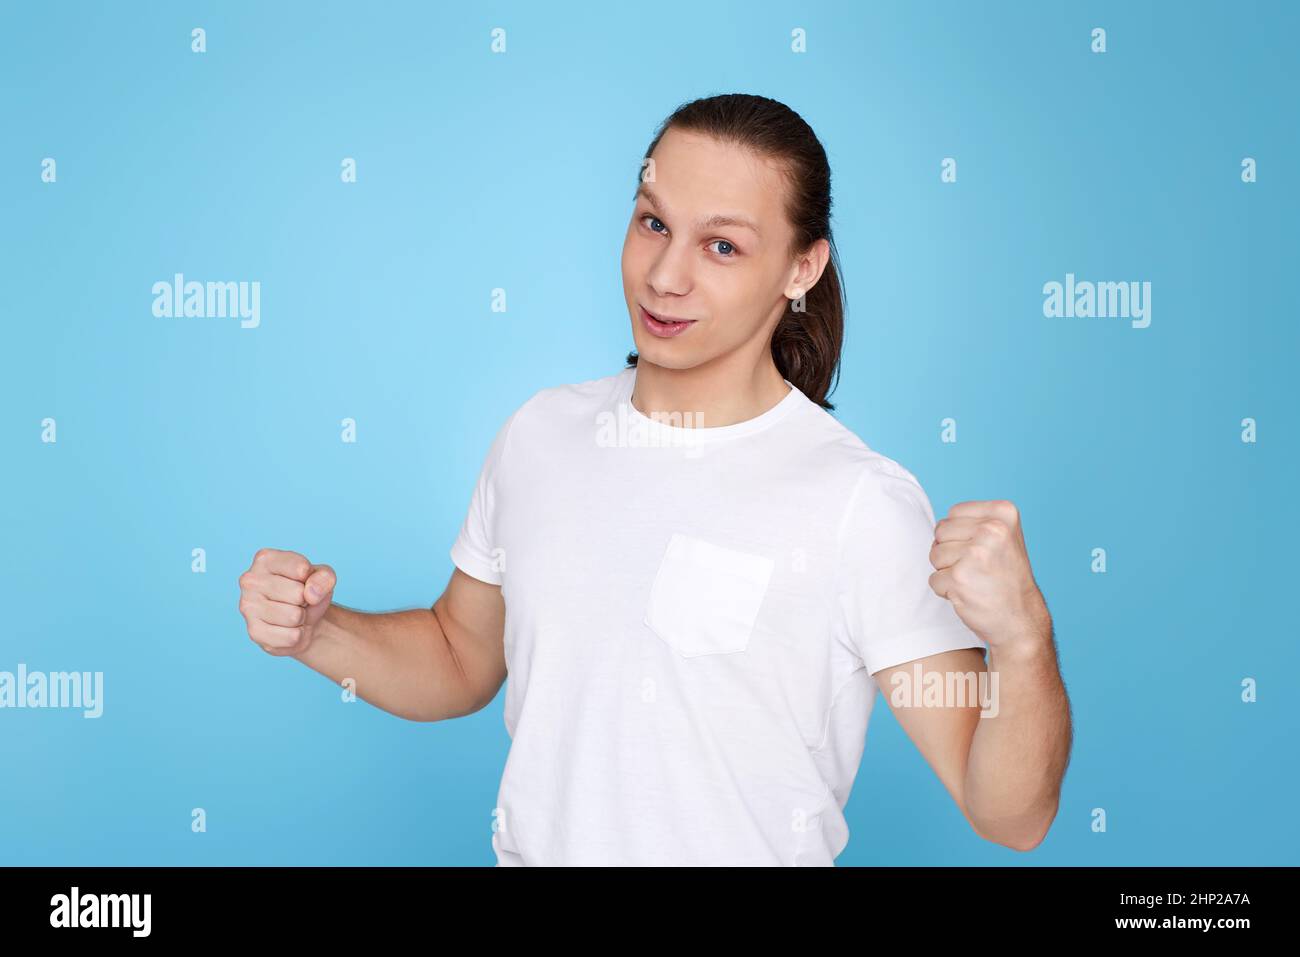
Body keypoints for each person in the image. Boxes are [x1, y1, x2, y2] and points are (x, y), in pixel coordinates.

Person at [237, 93, 1072, 866]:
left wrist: (1024, 639)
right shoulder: (541, 434)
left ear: (802, 269)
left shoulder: (860, 502)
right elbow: (461, 656)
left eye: (722, 245)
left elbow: (1010, 814)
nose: (666, 276)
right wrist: (319, 632)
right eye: (651, 224)